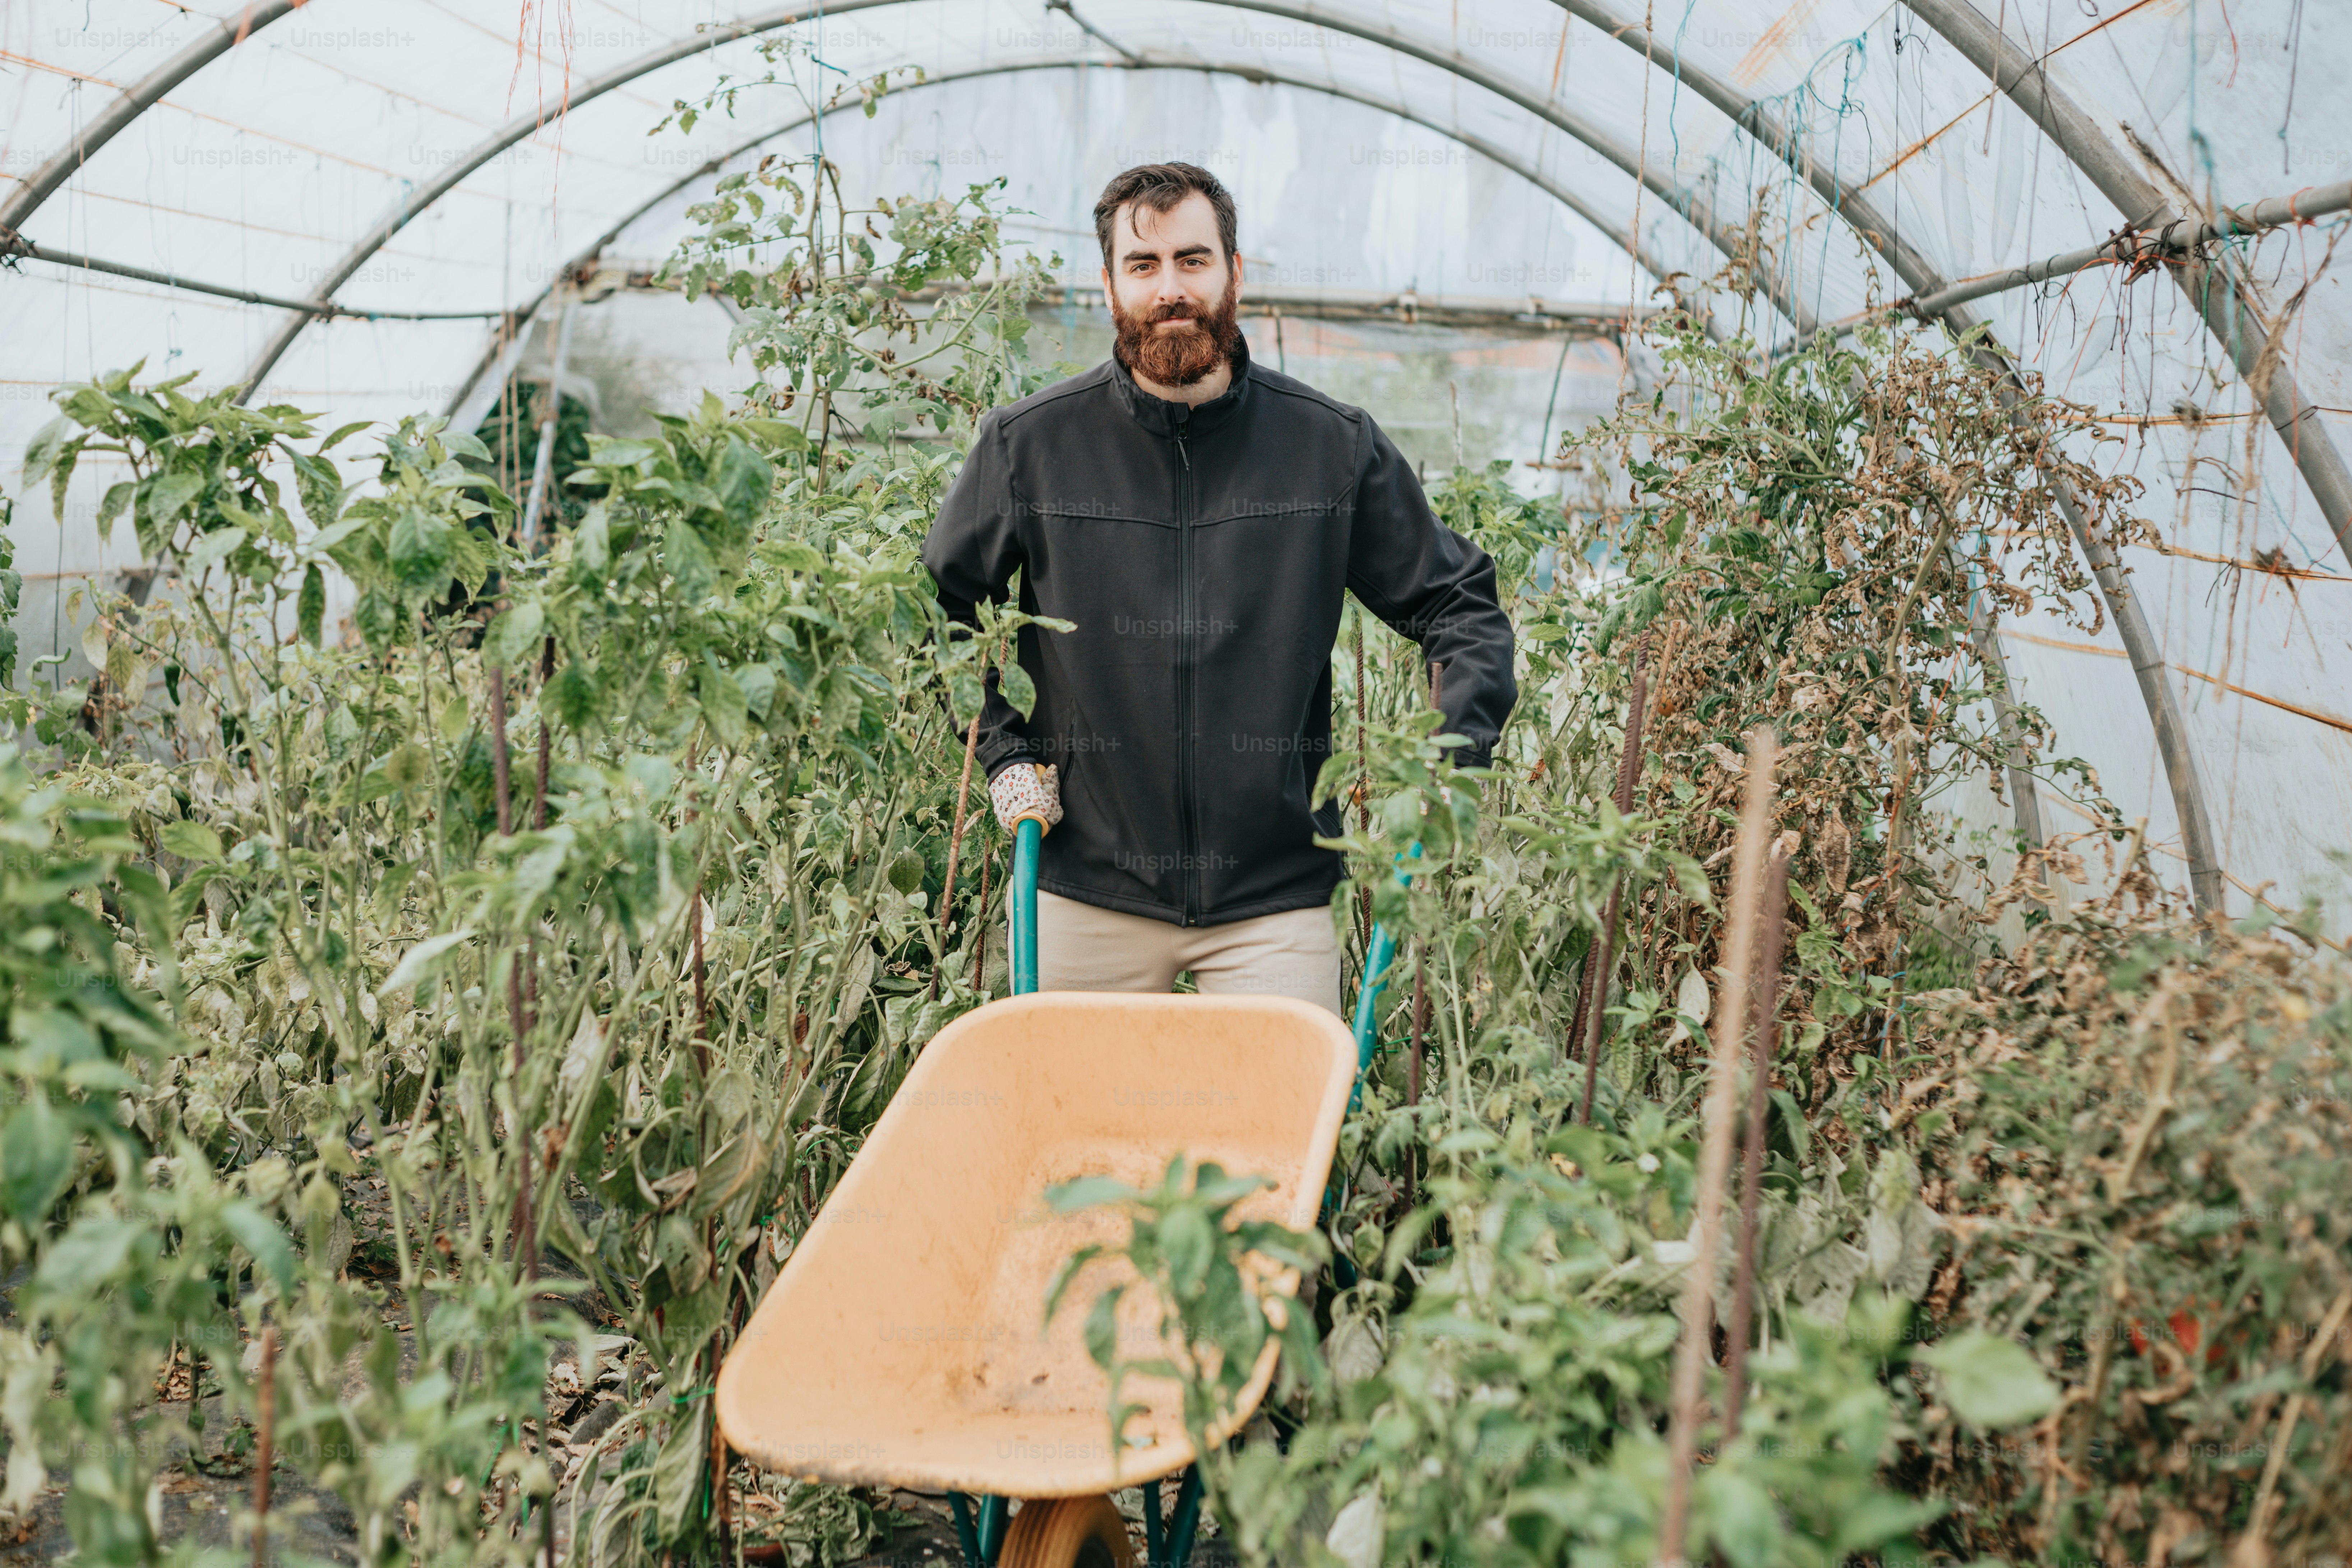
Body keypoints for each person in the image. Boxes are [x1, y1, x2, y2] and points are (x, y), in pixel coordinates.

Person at [921, 162, 1516, 1016]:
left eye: (1193, 260)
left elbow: (1459, 604)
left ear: (1236, 272)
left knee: (1278, 1144)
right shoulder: (1032, 446)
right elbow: (939, 609)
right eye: (1145, 265)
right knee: (1076, 1139)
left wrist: (1443, 769)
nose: (1171, 288)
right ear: (1109, 286)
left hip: (1276, 899)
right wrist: (1004, 752)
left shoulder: (1329, 448)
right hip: (1088, 886)